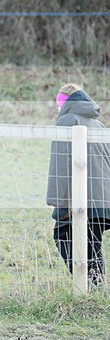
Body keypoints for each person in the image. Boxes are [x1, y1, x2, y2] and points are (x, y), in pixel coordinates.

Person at [46, 83, 110, 289]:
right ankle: (97, 286)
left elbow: (61, 163)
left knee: (63, 235)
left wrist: (61, 201)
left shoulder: (67, 120)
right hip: (102, 197)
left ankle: (88, 285)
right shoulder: (98, 124)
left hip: (79, 196)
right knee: (93, 243)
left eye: (58, 104)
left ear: (64, 103)